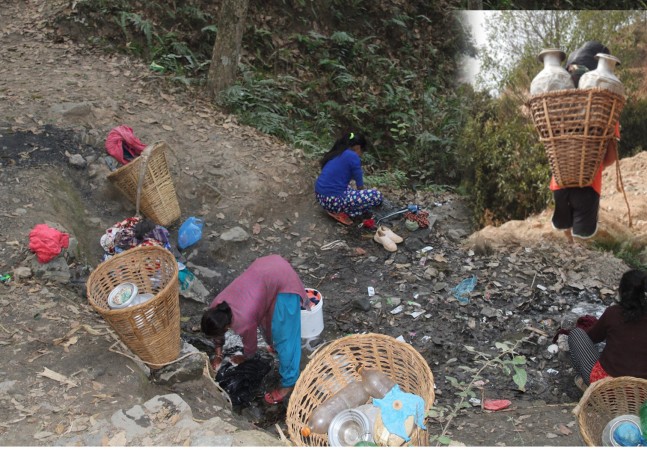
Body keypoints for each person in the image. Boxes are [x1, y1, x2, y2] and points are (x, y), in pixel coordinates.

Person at [201, 254, 310, 404]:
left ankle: (289, 383)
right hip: (266, 268)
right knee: (268, 318)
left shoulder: (243, 321)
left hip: (281, 280)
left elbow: (251, 347)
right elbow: (216, 329)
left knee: (286, 338)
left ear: (226, 327)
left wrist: (244, 357)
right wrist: (218, 354)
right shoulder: (217, 306)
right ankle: (276, 347)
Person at [568, 269, 647, 390]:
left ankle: (588, 388)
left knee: (576, 334)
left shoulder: (613, 313)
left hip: (605, 387)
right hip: (641, 392)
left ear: (622, 291)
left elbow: (592, 337)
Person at [315, 131, 383, 225]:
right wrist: (363, 195)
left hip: (321, 196)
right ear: (358, 147)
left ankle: (344, 211)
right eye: (362, 150)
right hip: (333, 199)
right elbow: (359, 185)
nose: (361, 154)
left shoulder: (338, 152)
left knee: (350, 191)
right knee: (377, 195)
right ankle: (340, 211)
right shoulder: (353, 156)